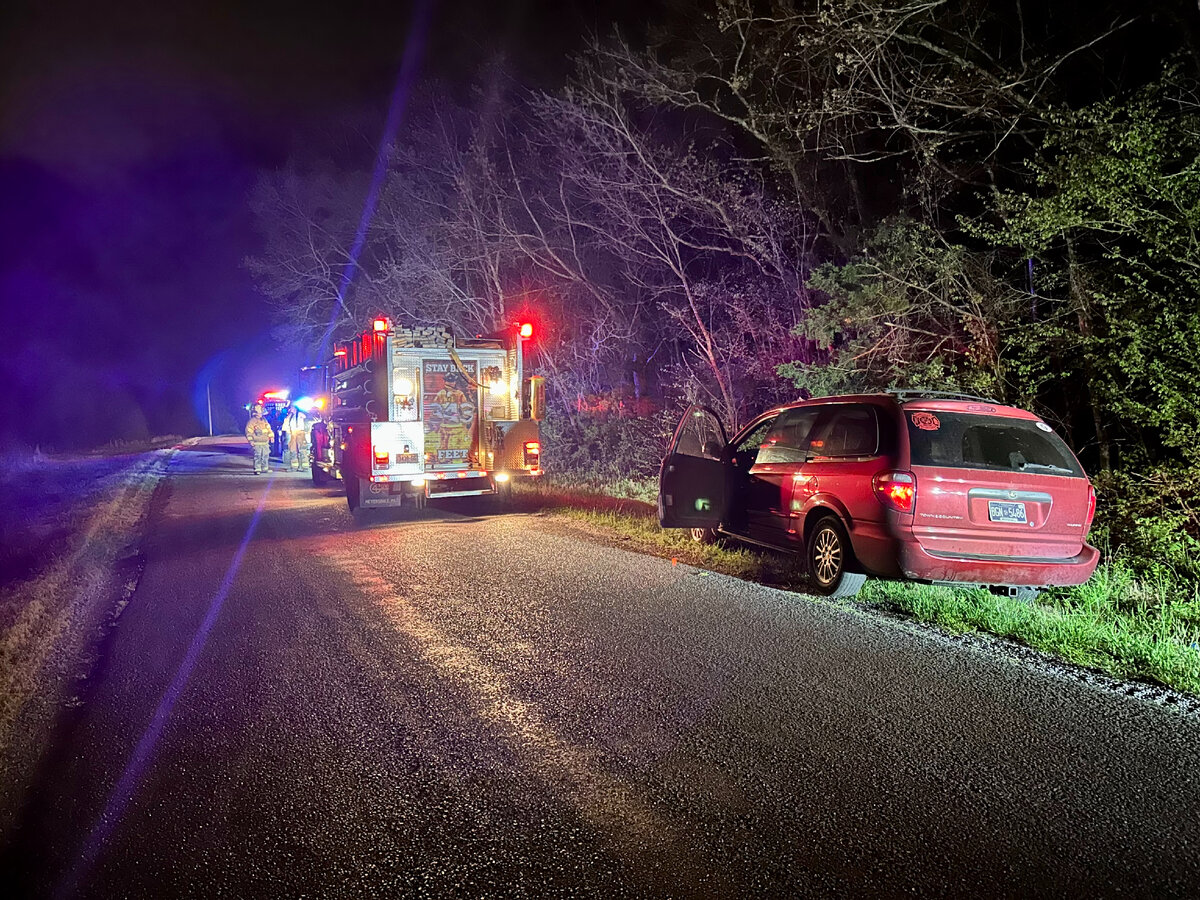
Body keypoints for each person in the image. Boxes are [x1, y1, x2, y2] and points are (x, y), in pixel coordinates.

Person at [244, 403, 275, 474]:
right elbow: (249, 431)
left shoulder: (264, 420)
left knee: (265, 455)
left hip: (265, 442)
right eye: (260, 412)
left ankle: (265, 468)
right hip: (257, 442)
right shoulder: (252, 421)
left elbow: (269, 429)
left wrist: (271, 436)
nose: (261, 414)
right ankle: (257, 469)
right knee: (258, 456)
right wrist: (251, 440)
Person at [280, 404, 310, 471]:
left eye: (292, 408)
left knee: (302, 450)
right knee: (293, 450)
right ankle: (294, 467)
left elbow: (305, 417)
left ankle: (304, 467)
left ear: (295, 408)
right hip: (293, 433)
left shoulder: (299, 414)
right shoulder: (291, 416)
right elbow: (286, 422)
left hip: (300, 433)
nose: (290, 409)